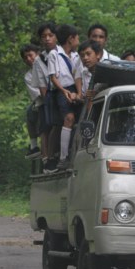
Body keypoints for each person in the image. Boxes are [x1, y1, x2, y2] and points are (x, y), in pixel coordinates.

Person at [48, 24, 83, 172]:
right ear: (70, 39)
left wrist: (79, 93)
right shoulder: (54, 54)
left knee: (83, 118)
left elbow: (78, 76)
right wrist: (64, 91)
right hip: (62, 89)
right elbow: (52, 77)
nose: (79, 41)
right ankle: (63, 157)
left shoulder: (77, 55)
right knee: (68, 118)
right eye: (77, 38)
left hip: (76, 88)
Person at [30, 22, 61, 171]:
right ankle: (50, 157)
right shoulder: (38, 60)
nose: (47, 39)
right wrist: (49, 100)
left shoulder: (64, 53)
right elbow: (42, 85)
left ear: (56, 37)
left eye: (50, 35)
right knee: (52, 125)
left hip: (69, 91)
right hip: (51, 95)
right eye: (44, 37)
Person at [20, 43, 42, 159]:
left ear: (37, 54)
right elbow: (38, 95)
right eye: (26, 57)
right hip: (42, 100)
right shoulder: (28, 76)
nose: (29, 59)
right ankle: (34, 146)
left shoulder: (49, 65)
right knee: (30, 111)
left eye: (30, 55)